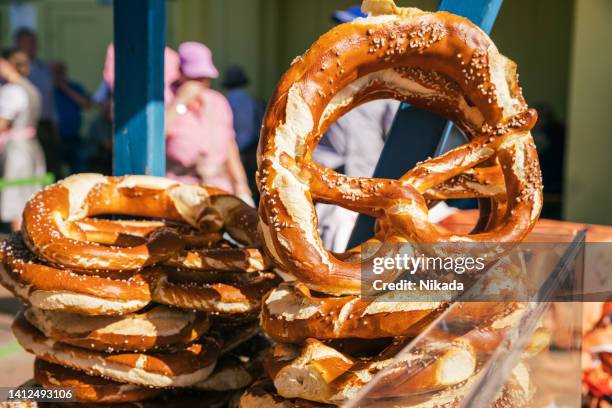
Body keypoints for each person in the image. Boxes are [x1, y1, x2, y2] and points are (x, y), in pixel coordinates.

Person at [312, 5, 401, 252]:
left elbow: (398, 134)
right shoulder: (320, 79)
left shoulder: (388, 84)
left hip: (368, 186)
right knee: (329, 251)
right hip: (324, 189)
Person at [165, 42, 252, 204]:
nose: (201, 83)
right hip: (180, 192)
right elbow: (156, 139)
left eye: (205, 78)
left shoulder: (218, 102)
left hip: (218, 189)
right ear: (181, 73)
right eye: (195, 78)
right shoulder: (166, 101)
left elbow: (229, 146)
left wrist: (241, 187)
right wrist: (180, 101)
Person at [0, 48, 45, 231]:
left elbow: (2, 123)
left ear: (7, 64)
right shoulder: (31, 88)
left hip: (17, 151)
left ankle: (18, 244)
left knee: (16, 197)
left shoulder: (12, 90)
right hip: (32, 147)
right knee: (28, 194)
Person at [14, 27, 61, 179]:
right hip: (22, 127)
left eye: (33, 42)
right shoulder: (13, 72)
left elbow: (49, 97)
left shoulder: (44, 68)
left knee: (51, 166)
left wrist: (55, 122)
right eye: (26, 43)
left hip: (44, 124)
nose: (31, 46)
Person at [222, 65, 264, 202]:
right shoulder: (251, 101)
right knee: (252, 183)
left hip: (233, 148)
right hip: (251, 147)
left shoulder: (225, 101)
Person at [51, 61, 92, 174]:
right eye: (54, 72)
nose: (58, 75)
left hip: (73, 138)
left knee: (79, 171)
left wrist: (65, 88)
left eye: (60, 72)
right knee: (54, 172)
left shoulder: (74, 87)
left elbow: (87, 104)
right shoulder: (47, 90)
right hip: (54, 139)